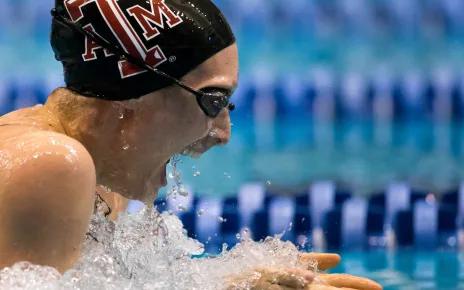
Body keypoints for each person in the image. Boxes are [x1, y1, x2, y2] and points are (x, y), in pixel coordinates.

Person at [0, 0, 381, 289]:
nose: (223, 132)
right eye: (213, 101)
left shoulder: (100, 176)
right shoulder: (54, 164)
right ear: (134, 94)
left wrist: (234, 281)